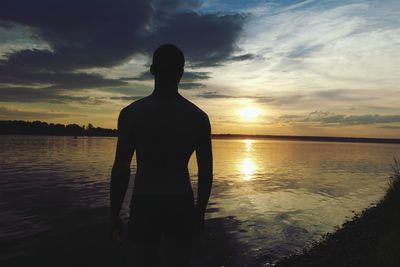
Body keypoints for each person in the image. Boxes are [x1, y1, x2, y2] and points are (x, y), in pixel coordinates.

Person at [110, 44, 213, 267]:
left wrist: (113, 213)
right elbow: (205, 172)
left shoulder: (131, 114)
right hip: (181, 201)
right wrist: (200, 212)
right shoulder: (197, 117)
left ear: (152, 70)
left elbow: (121, 168)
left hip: (145, 200)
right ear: (182, 73)